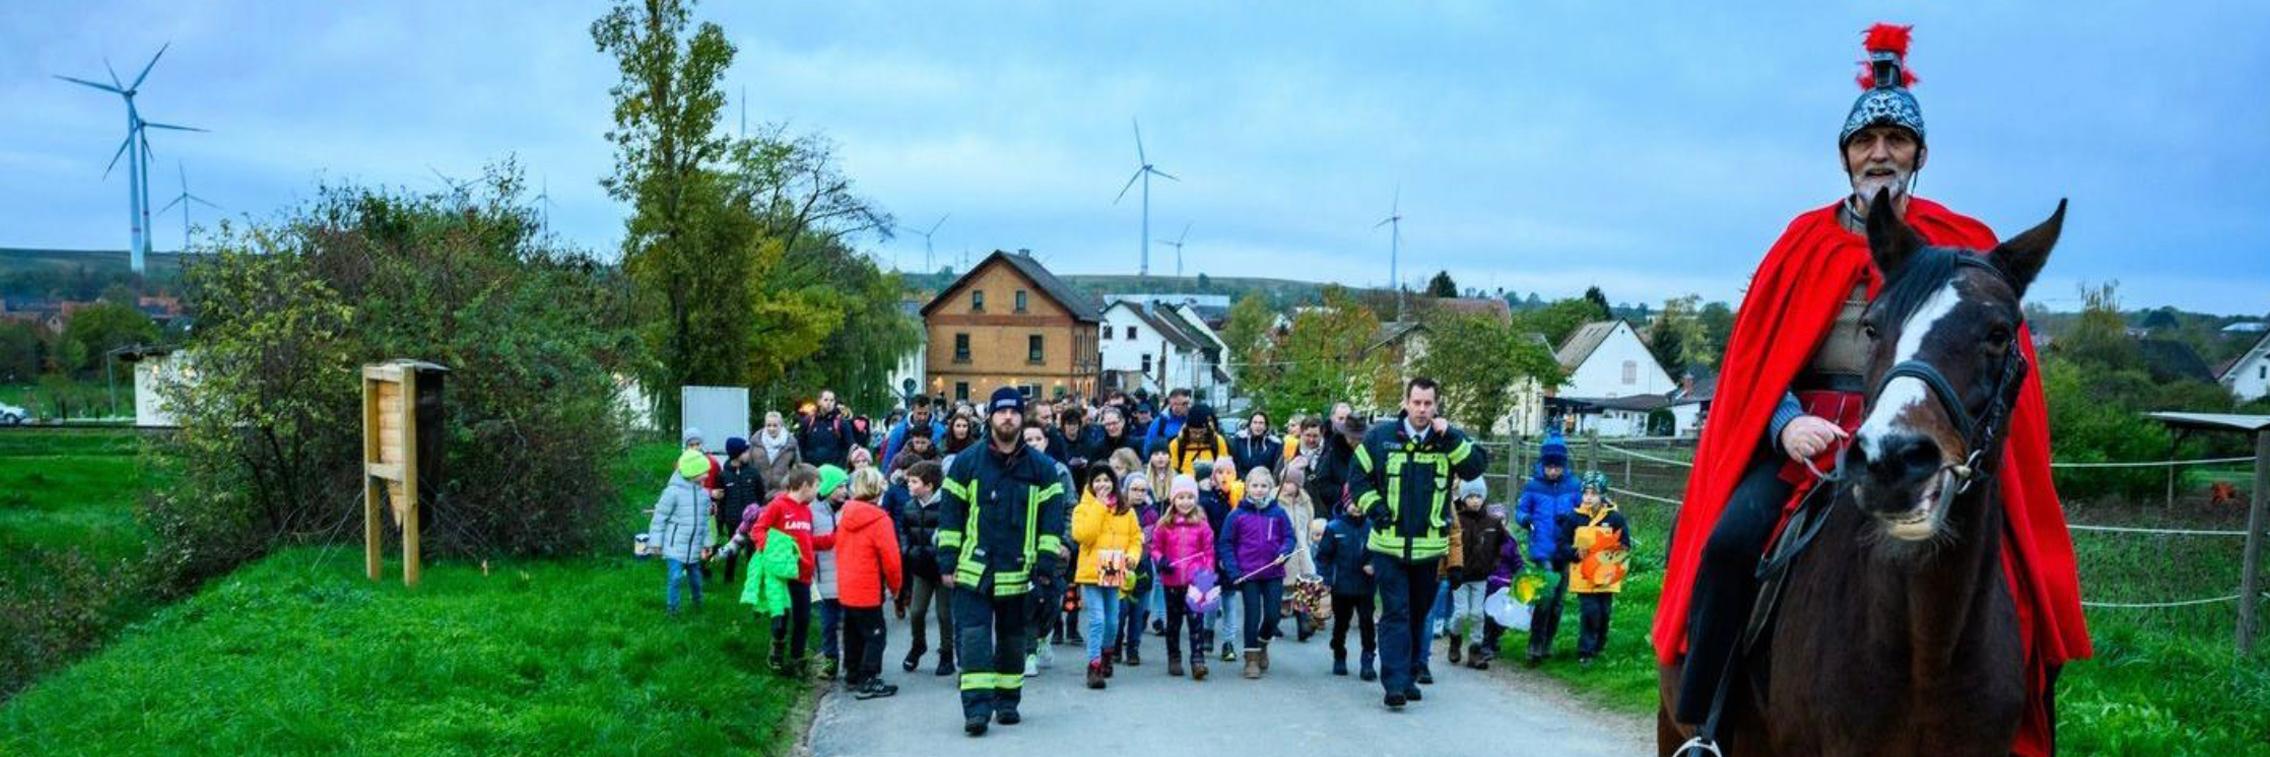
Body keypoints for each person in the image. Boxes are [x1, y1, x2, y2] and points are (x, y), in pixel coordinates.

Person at [1655, 29, 2088, 752]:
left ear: (1918, 154)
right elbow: (1754, 368)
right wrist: (1785, 424)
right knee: (1730, 542)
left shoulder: (1960, 244)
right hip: (1808, 443)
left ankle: (2021, 722)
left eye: (1895, 139)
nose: (1880, 152)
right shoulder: (1803, 244)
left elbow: (1994, 362)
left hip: (1930, 437)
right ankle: (1705, 723)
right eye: (1866, 141)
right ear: (1845, 155)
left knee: (2023, 572)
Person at [936, 387, 1071, 737]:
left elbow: (1051, 522)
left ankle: (1008, 702)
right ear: (991, 417)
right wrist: (947, 561)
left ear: (1020, 417)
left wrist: (1044, 567)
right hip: (973, 569)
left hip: (1019, 571)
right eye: (1001, 412)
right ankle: (977, 710)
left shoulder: (1042, 469)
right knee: (975, 639)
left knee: (1012, 641)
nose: (1007, 418)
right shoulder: (967, 462)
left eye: (1013, 412)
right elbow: (950, 515)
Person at [1350, 377, 1489, 710]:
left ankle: (1410, 674)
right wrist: (1375, 508)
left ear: (1436, 405)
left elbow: (1475, 467)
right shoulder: (1381, 439)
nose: (1422, 410)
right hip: (1388, 546)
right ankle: (1394, 683)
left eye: (1428, 404)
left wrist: (1451, 434)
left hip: (1429, 550)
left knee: (1417, 614)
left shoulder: (1447, 441)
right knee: (1396, 612)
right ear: (1406, 402)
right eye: (1417, 402)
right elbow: (1357, 477)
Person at [1218, 466, 1296, 679]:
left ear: (1270, 488)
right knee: (1252, 615)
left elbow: (1289, 538)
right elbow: (1225, 544)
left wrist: (1284, 551)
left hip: (1273, 572)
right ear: (1247, 488)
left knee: (1273, 615)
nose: (1259, 490)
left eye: (1264, 486)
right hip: (1248, 573)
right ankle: (1251, 658)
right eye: (1255, 485)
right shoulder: (1237, 515)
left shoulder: (1278, 513)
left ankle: (1263, 643)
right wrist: (1234, 571)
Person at [1071, 464, 1143, 689]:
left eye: (1107, 480)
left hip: (1114, 567)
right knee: (1097, 619)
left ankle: (1107, 655)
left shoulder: (1126, 510)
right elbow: (1084, 536)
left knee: (1113, 620)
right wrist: (1098, 508)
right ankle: (1093, 666)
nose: (1102, 485)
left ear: (1114, 482)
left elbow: (1135, 537)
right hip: (1091, 571)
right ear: (1090, 484)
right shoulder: (1083, 509)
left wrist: (1132, 556)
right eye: (1097, 481)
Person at [834, 467, 904, 699]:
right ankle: (869, 678)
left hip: (846, 583)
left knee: (853, 631)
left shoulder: (846, 514)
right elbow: (891, 559)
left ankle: (852, 673)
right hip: (867, 586)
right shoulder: (880, 519)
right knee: (876, 634)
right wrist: (896, 588)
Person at [749, 464, 822, 675]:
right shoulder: (778, 505)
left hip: (803, 573)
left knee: (803, 618)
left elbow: (807, 540)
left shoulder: (807, 511)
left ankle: (798, 659)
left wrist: (831, 540)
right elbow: (758, 530)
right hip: (781, 574)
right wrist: (770, 551)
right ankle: (777, 651)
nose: (818, 491)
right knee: (781, 617)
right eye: (817, 486)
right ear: (805, 485)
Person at [1514, 435, 1580, 666]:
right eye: (1549, 466)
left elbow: (1583, 511)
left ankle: (1548, 642)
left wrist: (1572, 519)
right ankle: (1535, 644)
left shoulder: (1574, 486)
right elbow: (1520, 510)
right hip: (1542, 548)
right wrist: (1526, 519)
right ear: (1543, 465)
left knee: (1559, 600)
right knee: (1546, 596)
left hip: (1565, 548)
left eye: (1557, 467)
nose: (1553, 471)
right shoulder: (1533, 486)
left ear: (1563, 466)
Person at [1557, 472, 1633, 667]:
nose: (1588, 497)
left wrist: (1616, 550)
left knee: (1604, 612)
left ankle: (1600, 646)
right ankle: (1585, 651)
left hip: (1607, 575)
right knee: (1590, 611)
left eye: (1593, 493)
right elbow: (1562, 543)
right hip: (1583, 575)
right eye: (1586, 493)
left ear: (1602, 495)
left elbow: (1625, 543)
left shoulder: (1615, 518)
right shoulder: (1574, 518)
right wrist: (1574, 552)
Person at [1148, 474, 1216, 681]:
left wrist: (1206, 575)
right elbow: (1155, 547)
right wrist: (1161, 560)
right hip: (1172, 580)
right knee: (1174, 621)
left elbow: (1208, 552)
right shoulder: (1164, 525)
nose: (1185, 502)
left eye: (1189, 497)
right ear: (1173, 500)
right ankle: (1174, 656)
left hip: (1195, 582)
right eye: (1181, 497)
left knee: (1196, 622)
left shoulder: (1202, 525)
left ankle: (1197, 660)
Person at [895, 460, 956, 676]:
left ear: (929, 485)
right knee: (917, 611)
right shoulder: (910, 506)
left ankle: (947, 653)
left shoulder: (947, 505)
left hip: (943, 569)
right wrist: (906, 550)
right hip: (920, 567)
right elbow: (903, 530)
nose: (909, 485)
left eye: (914, 481)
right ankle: (918, 645)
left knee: (944, 613)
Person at [1444, 478, 1509, 669]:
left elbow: (1502, 544)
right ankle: (1455, 639)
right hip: (1460, 575)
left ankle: (1475, 650)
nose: (1474, 501)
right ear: (1463, 498)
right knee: (1462, 613)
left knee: (1477, 614)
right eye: (1470, 496)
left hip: (1481, 575)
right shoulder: (1457, 520)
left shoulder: (1493, 522)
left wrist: (1494, 563)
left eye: (1478, 496)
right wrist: (1450, 566)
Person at [648, 445, 716, 615]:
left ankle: (698, 603)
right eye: (703, 472)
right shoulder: (672, 492)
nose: (706, 475)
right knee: (676, 577)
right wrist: (655, 542)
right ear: (691, 473)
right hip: (674, 546)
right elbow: (659, 518)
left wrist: (706, 544)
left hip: (693, 546)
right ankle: (673, 609)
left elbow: (705, 521)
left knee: (695, 579)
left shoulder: (703, 495)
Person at [1315, 495, 1378, 680]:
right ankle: (1339, 653)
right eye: (1352, 503)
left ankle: (1368, 658)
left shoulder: (1372, 526)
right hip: (1341, 584)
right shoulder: (1334, 528)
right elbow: (1324, 557)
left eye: (1361, 503)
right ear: (1345, 504)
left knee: (1367, 622)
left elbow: (1380, 551)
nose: (1357, 507)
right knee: (1342, 622)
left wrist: (1374, 564)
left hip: (1366, 584)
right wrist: (1325, 579)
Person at [1115, 472, 1160, 667]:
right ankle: (1114, 646)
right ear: (1126, 490)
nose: (1139, 494)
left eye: (1143, 490)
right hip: (1117, 564)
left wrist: (1141, 554)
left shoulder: (1151, 514)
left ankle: (1133, 648)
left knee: (1137, 611)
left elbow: (1151, 541)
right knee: (1119, 610)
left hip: (1142, 568)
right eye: (1134, 489)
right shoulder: (1118, 510)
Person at [1274, 467, 1323, 642]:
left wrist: (1309, 540)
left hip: (1302, 547)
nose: (1287, 486)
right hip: (1283, 548)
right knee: (1281, 587)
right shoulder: (1275, 499)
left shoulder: (1305, 500)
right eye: (1285, 482)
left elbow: (1309, 521)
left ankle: (1304, 621)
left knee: (1306, 584)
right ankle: (1273, 620)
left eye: (1291, 483)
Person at [811, 464, 850, 680]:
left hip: (846, 576)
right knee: (828, 625)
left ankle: (852, 662)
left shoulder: (849, 509)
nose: (844, 491)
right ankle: (831, 661)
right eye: (839, 486)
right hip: (824, 577)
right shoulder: (812, 512)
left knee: (850, 625)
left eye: (845, 486)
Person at [714, 436, 766, 584]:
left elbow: (760, 494)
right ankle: (728, 579)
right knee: (733, 549)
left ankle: (753, 580)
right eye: (745, 451)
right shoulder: (724, 475)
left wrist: (758, 513)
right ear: (736, 454)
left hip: (753, 521)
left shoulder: (753, 473)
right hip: (733, 520)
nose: (748, 454)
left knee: (752, 549)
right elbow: (721, 501)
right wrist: (722, 520)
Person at [800, 390, 866, 468]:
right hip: (812, 470)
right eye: (826, 400)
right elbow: (800, 444)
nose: (829, 403)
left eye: (832, 400)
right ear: (819, 402)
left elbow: (851, 445)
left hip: (835, 470)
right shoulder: (809, 422)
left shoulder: (841, 422)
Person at [881, 395, 944, 471]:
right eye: (919, 413)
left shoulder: (939, 430)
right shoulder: (899, 430)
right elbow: (889, 457)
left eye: (925, 413)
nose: (922, 417)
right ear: (912, 410)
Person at [1165, 403, 1227, 478]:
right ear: (1187, 429)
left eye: (1201, 432)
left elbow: (1225, 467)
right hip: (1185, 484)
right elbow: (1172, 470)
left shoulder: (1217, 441)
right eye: (1194, 432)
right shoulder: (1177, 444)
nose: (1197, 436)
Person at [1231, 411, 1284, 479]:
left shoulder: (1275, 444)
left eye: (1261, 423)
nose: (1257, 426)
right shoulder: (1239, 440)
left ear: (1265, 426)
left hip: (1266, 482)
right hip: (1243, 481)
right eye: (1255, 422)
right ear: (1250, 425)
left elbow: (1276, 469)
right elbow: (1235, 464)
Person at [1141, 388, 1194, 455]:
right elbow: (1148, 448)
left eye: (1181, 404)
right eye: (1173, 404)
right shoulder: (1159, 422)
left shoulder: (1193, 421)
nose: (1176, 408)